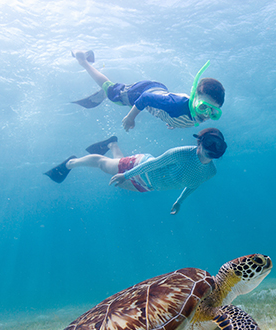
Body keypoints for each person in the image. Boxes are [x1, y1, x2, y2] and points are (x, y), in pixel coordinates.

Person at [44, 128, 228, 215]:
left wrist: (179, 202)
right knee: (104, 165)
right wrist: (126, 174)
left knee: (117, 182)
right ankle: (70, 163)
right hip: (140, 166)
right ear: (200, 143)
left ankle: (112, 143)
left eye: (215, 150)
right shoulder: (182, 153)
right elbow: (154, 164)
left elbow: (193, 185)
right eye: (208, 147)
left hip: (148, 186)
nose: (210, 152)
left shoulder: (210, 172)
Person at [71, 50, 225, 131]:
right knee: (114, 96)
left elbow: (181, 114)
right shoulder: (177, 105)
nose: (206, 115)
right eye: (203, 107)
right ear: (194, 98)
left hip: (158, 90)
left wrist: (173, 122)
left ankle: (116, 89)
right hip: (144, 92)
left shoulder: (193, 114)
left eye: (213, 112)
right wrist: (131, 118)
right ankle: (83, 60)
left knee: (121, 93)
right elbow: (146, 98)